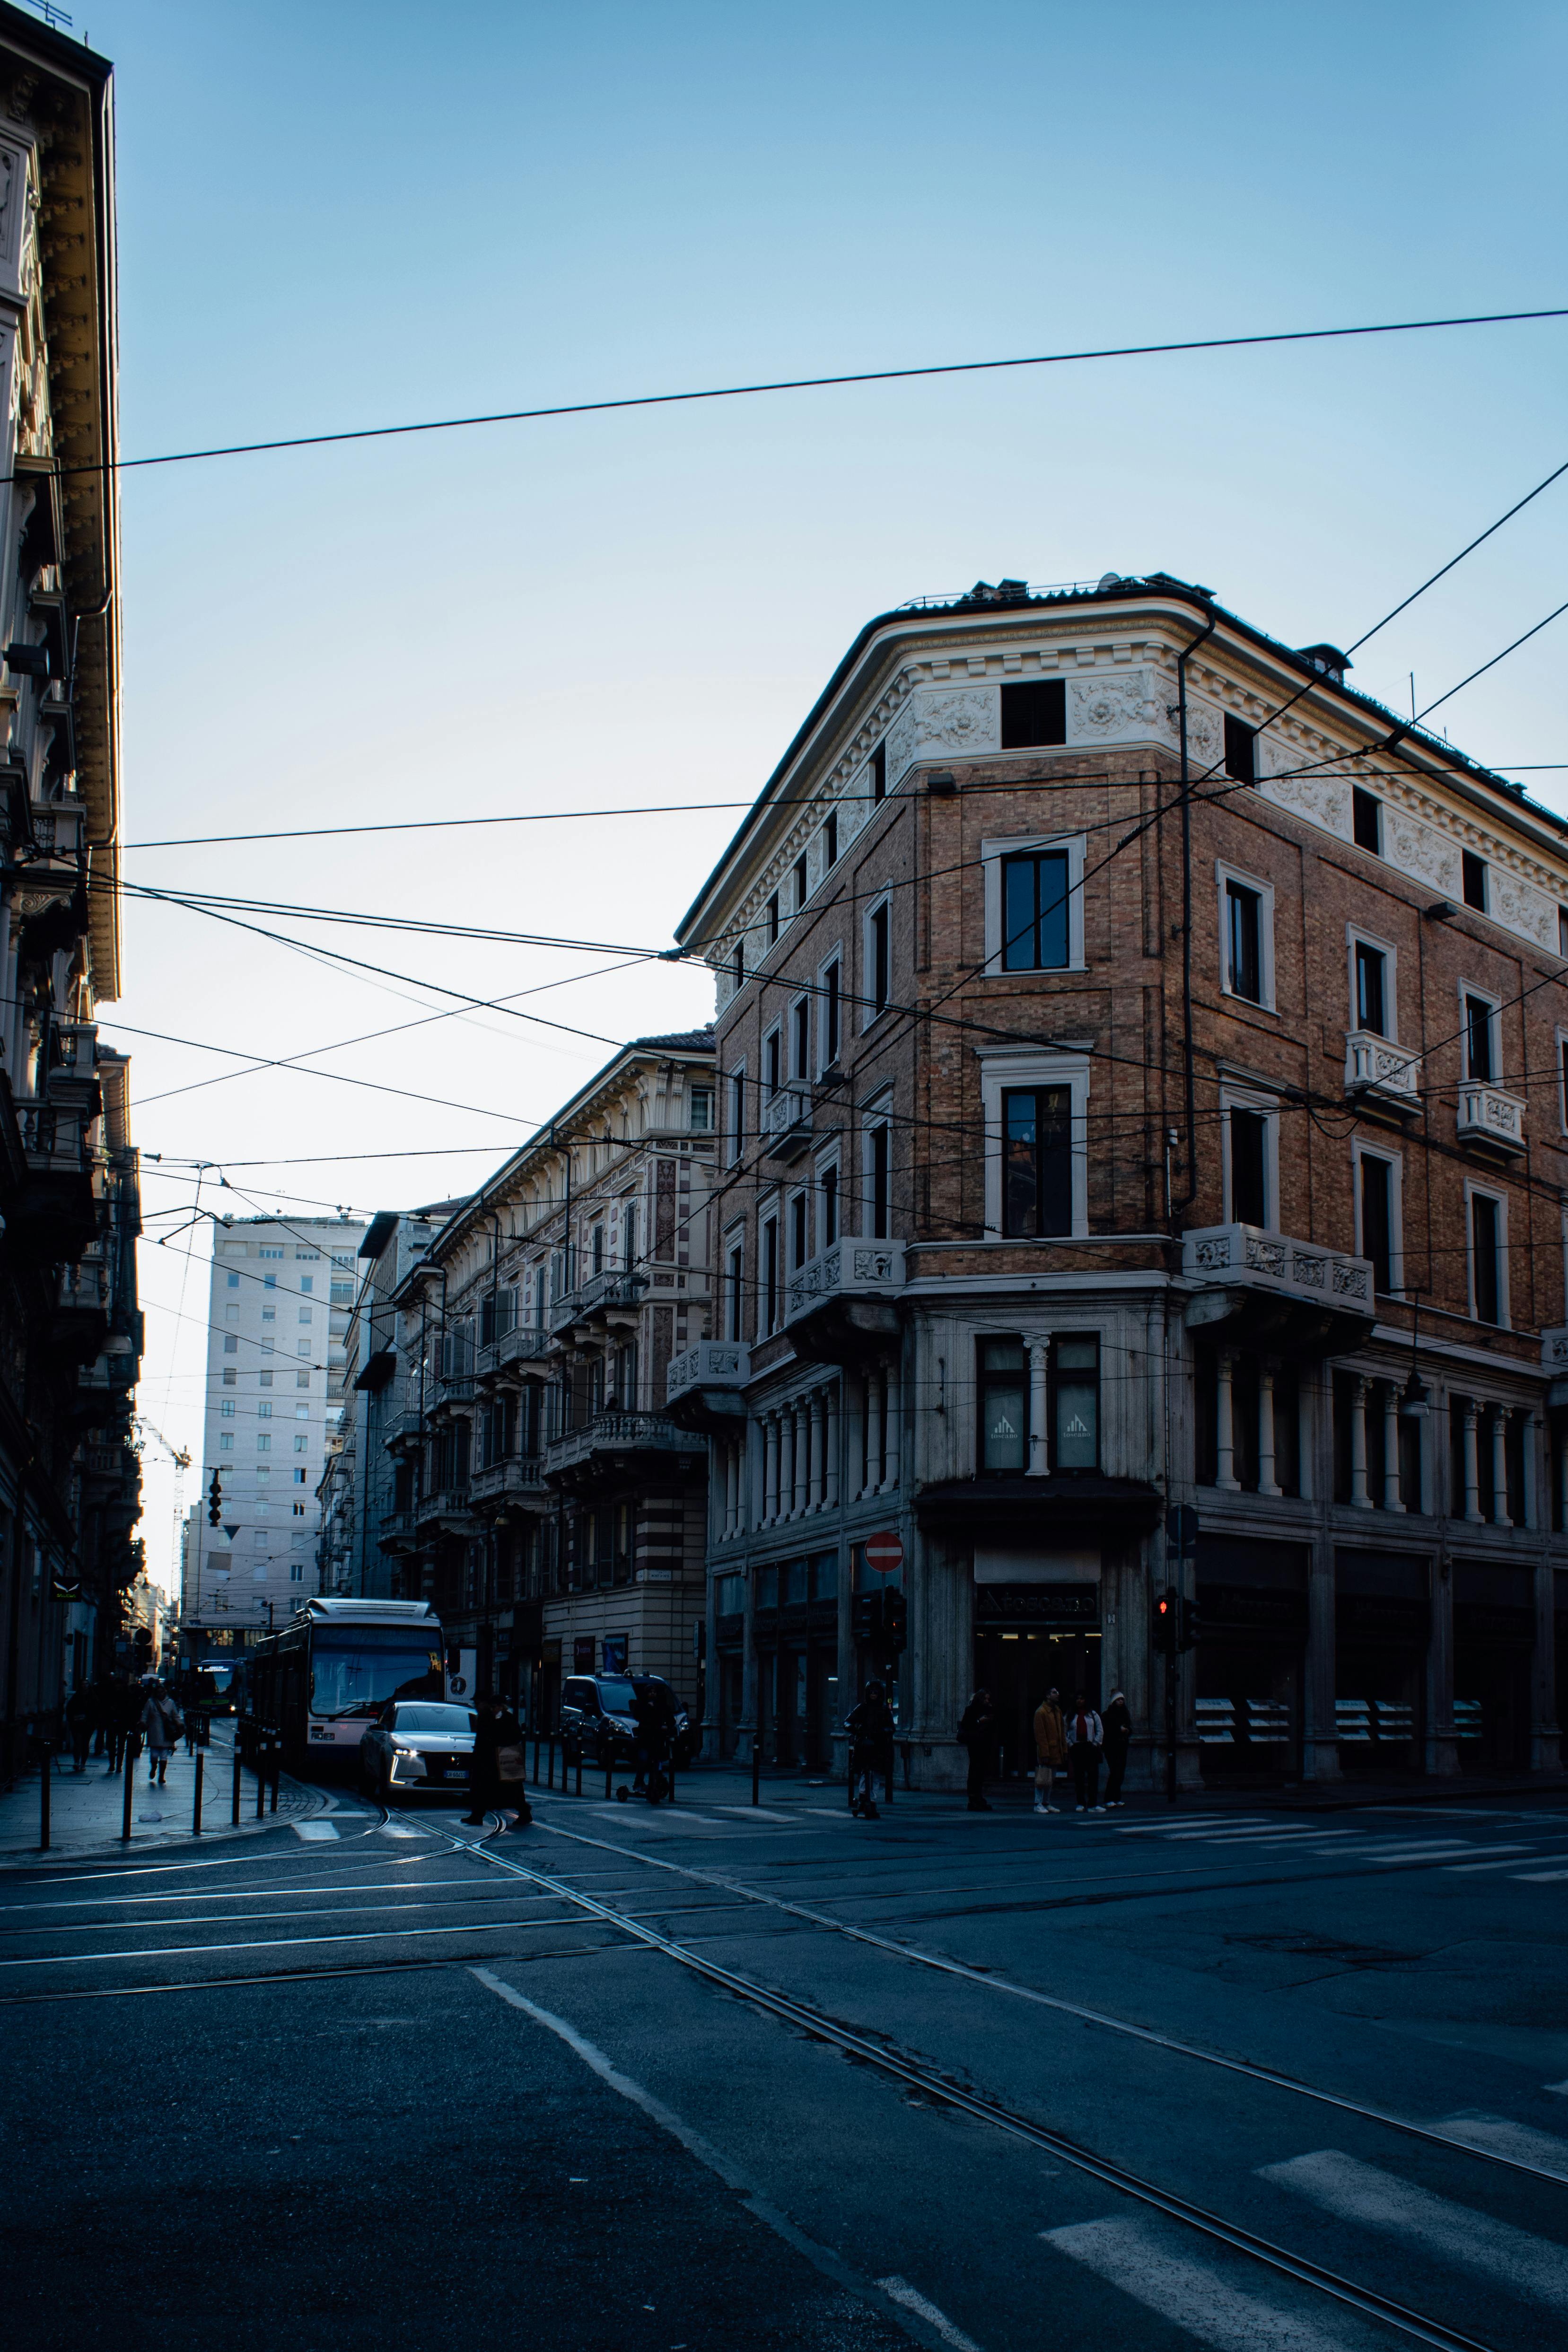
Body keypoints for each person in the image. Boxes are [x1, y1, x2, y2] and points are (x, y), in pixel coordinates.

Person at [469, 1691, 531, 1831]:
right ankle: (477, 1815)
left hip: (504, 1760)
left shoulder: (506, 1718)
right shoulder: (486, 1717)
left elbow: (514, 1737)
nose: (493, 1709)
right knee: (480, 1788)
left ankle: (525, 1813)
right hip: (487, 1760)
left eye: (494, 1707)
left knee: (511, 1789)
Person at [845, 1680, 894, 1819]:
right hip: (864, 1746)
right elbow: (847, 1722)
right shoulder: (862, 1708)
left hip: (878, 1747)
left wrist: (883, 1731)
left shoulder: (884, 1710)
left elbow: (891, 1728)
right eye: (871, 1692)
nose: (873, 1695)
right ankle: (863, 1796)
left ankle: (872, 1800)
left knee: (876, 1774)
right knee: (865, 1772)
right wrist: (857, 1729)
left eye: (876, 1692)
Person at [957, 1688, 997, 1811]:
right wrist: (979, 1721)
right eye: (985, 1699)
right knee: (975, 1771)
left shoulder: (989, 1710)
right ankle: (973, 1799)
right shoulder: (971, 1710)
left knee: (980, 1773)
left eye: (988, 1699)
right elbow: (966, 1725)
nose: (987, 1701)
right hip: (975, 1744)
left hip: (984, 1744)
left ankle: (979, 1798)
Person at [1065, 1691, 1104, 1812]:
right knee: (1079, 1777)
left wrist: (1096, 1743)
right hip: (1077, 1747)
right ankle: (1080, 1803)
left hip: (1090, 1746)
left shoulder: (1092, 1714)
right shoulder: (1070, 1716)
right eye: (1077, 1699)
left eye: (1082, 1699)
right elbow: (1064, 1731)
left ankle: (1093, 1803)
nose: (1079, 1701)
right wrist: (1070, 1744)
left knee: (1093, 1776)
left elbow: (1100, 1729)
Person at [1032, 1686, 1067, 1814]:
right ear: (1047, 1696)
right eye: (1054, 1692)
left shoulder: (1057, 1711)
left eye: (1057, 1692)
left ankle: (1046, 1802)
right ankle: (1038, 1803)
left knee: (1051, 1779)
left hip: (1056, 1749)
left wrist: (1064, 1750)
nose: (1057, 1694)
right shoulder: (1041, 1712)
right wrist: (1045, 1752)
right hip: (1047, 1750)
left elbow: (1062, 1732)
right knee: (1042, 1778)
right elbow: (1041, 1736)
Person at [141, 1680, 182, 1785]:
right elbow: (145, 1715)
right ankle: (154, 1768)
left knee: (164, 1755)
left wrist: (180, 1724)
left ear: (165, 1692)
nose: (161, 1694)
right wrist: (143, 1723)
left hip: (166, 1732)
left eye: (162, 1692)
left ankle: (162, 1776)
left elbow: (175, 1715)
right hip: (154, 1731)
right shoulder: (151, 1702)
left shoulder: (170, 1703)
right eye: (159, 1692)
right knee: (154, 1755)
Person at [1102, 1689, 1132, 1807]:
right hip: (1111, 1746)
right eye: (1119, 1700)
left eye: (1122, 1700)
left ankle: (1116, 1797)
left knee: (1120, 1772)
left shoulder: (1125, 1714)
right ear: (1114, 1701)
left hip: (1122, 1745)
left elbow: (1130, 1727)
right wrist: (1118, 1730)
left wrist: (1127, 1731)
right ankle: (1109, 1798)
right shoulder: (1107, 1715)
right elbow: (1106, 1730)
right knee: (1115, 1772)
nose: (1121, 1702)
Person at [65, 1683, 94, 1774]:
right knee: (78, 1743)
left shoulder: (93, 1699)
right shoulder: (75, 1699)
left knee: (85, 1744)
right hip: (77, 1724)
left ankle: (83, 1763)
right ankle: (77, 1762)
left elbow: (96, 1711)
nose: (85, 1691)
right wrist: (73, 1720)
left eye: (86, 1689)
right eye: (83, 1689)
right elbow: (69, 1710)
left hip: (88, 1725)